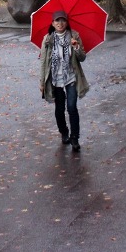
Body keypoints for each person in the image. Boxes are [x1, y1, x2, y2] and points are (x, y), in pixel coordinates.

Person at [39, 10, 89, 152]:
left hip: (71, 78)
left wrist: (76, 47)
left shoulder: (74, 36)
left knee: (72, 107)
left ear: (66, 22)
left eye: (62, 21)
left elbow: (82, 57)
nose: (60, 23)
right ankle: (64, 132)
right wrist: (42, 82)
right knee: (59, 110)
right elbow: (43, 62)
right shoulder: (48, 39)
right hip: (55, 79)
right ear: (53, 23)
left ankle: (74, 138)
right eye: (57, 21)